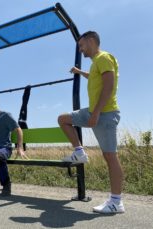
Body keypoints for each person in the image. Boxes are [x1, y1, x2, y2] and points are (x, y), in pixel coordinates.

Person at [58, 31, 125, 214]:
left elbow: (109, 85)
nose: (80, 50)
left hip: (104, 113)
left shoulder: (104, 57)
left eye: (81, 45)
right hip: (93, 111)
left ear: (91, 41)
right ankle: (79, 152)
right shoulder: (97, 63)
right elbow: (96, 78)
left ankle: (116, 202)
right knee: (63, 119)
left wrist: (95, 113)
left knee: (110, 157)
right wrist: (80, 72)